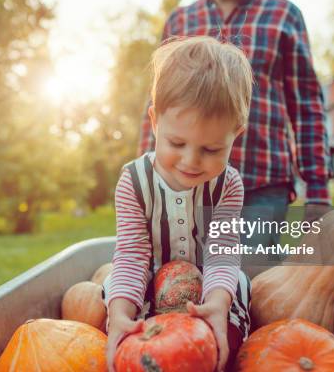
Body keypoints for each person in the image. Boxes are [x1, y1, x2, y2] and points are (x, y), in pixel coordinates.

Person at [138, 0, 332, 263]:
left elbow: (307, 106)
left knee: (245, 285)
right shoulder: (180, 20)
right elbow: (159, 104)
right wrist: (146, 179)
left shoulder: (283, 16)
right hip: (186, 187)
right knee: (180, 278)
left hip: (262, 186)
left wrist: (317, 191)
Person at [104, 36, 253, 372]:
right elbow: (131, 254)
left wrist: (216, 304)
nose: (191, 161)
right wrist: (120, 315)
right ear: (156, 122)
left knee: (239, 288)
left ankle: (221, 350)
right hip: (149, 282)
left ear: (236, 134)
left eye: (212, 149)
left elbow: (222, 251)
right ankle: (125, 338)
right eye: (176, 142)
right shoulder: (133, 181)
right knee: (114, 291)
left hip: (207, 287)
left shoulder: (228, 184)